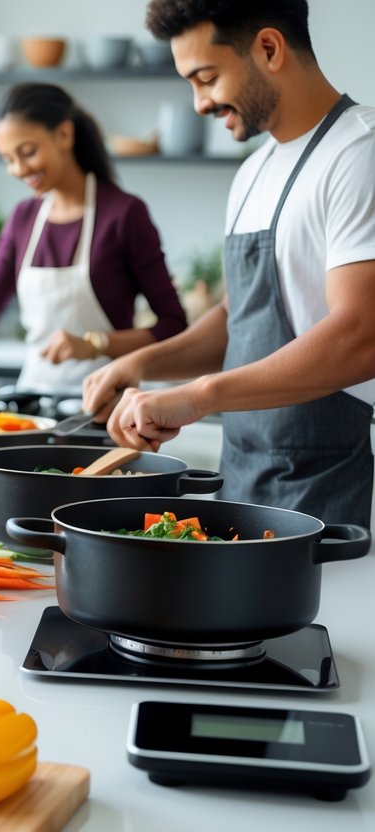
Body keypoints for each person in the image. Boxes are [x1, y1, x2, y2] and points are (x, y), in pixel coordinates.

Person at [82, 0, 375, 526]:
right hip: (241, 478)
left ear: (268, 48)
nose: (197, 103)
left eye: (207, 77)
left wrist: (199, 396)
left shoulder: (360, 153)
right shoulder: (253, 172)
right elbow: (237, 318)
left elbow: (361, 335)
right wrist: (144, 363)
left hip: (332, 485)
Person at [0, 83, 187, 393]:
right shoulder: (23, 218)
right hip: (33, 399)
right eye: (7, 159)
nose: (18, 169)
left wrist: (95, 344)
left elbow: (173, 325)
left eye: (27, 152)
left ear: (64, 135)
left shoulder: (124, 215)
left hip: (107, 405)